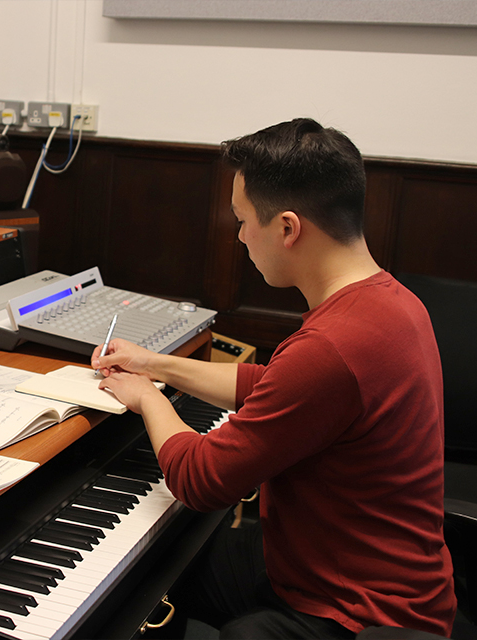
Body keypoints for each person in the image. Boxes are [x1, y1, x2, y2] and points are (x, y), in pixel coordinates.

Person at [92, 118, 456, 639]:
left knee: (151, 577)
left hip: (359, 614)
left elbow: (201, 480)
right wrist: (156, 364)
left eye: (242, 220)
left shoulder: (332, 346)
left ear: (287, 228)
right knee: (168, 559)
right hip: (382, 580)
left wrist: (149, 399)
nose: (239, 235)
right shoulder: (393, 302)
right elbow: (276, 385)